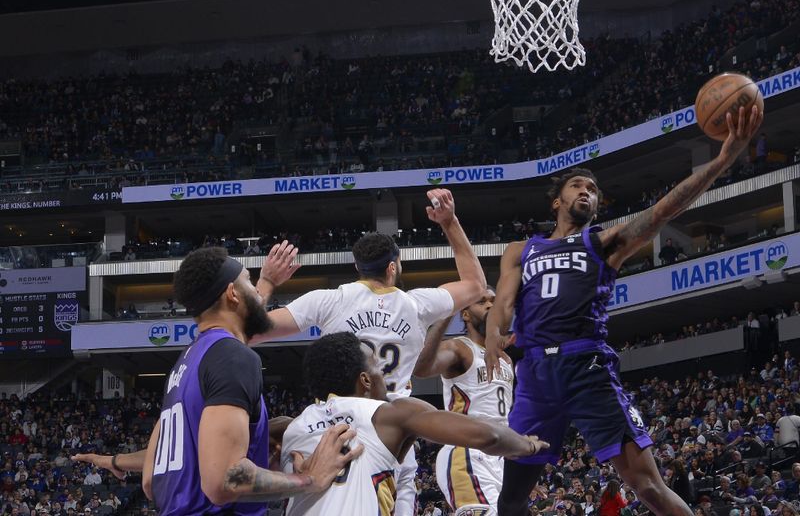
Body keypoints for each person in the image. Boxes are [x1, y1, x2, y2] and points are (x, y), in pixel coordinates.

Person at [484, 104, 763, 516]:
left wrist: (722, 159)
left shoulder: (602, 243)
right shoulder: (520, 250)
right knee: (510, 500)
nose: (586, 192)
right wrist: (493, 333)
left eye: (593, 190)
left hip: (586, 367)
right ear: (555, 201)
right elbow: (504, 301)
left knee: (648, 487)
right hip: (534, 377)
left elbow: (663, 211)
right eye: (578, 185)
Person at [251, 188, 486, 516]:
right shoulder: (416, 304)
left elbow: (252, 329)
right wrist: (449, 223)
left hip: (334, 430)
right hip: (395, 429)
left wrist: (266, 282)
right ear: (392, 268)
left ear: (357, 267)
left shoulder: (329, 299)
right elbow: (476, 285)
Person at [138, 247, 361, 516]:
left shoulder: (184, 364)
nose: (257, 292)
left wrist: (255, 444)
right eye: (248, 281)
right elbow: (225, 480)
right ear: (232, 293)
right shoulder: (231, 356)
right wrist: (308, 479)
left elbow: (150, 480)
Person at [278, 332, 548, 516]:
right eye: (378, 369)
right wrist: (528, 446)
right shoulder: (387, 414)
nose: (384, 376)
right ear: (366, 381)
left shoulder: (291, 427)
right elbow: (489, 436)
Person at [414, 287, 514, 516]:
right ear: (465, 314)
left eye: (493, 301)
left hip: (501, 455)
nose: (490, 305)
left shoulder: (506, 359)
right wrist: (447, 314)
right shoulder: (460, 348)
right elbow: (422, 368)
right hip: (468, 452)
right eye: (482, 302)